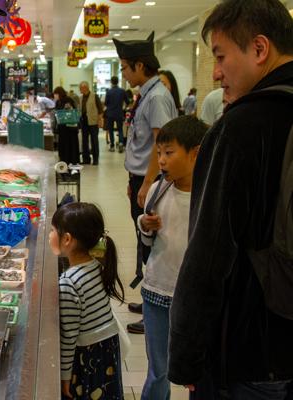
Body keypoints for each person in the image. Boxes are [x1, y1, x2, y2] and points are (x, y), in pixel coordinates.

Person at [168, 1, 293, 399]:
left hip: (247, 353)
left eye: (221, 57)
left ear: (259, 49)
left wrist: (187, 355)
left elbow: (209, 256)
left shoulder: (240, 128)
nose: (217, 73)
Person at [137, 116, 207, 400]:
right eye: (158, 154)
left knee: (199, 372)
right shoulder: (158, 189)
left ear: (196, 153)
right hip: (156, 289)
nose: (162, 161)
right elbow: (147, 240)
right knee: (158, 370)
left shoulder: (210, 195)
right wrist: (144, 225)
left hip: (195, 299)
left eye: (169, 153)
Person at [113, 32, 178, 335]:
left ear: (140, 65)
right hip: (140, 177)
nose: (123, 73)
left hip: (151, 179)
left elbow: (161, 145)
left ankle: (156, 310)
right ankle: (148, 299)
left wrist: (147, 183)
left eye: (125, 67)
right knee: (143, 241)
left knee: (151, 243)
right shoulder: (147, 94)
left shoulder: (157, 96)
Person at [51, 202, 125, 400]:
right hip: (107, 349)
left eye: (52, 231)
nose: (49, 236)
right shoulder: (96, 266)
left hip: (87, 358)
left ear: (67, 239)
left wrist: (64, 376)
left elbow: (69, 336)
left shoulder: (68, 283)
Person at [79, 81, 103, 165]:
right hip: (84, 121)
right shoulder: (81, 97)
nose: (80, 90)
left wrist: (100, 120)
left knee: (94, 140)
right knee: (84, 141)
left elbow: (100, 109)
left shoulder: (94, 96)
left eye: (80, 88)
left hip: (93, 121)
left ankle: (95, 159)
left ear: (85, 88)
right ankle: (86, 159)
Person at [54, 86, 80, 165]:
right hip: (66, 127)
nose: (54, 96)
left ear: (59, 94)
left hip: (68, 127)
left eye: (55, 94)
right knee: (67, 144)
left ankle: (68, 159)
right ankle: (67, 159)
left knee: (68, 143)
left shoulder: (66, 100)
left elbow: (68, 111)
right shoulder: (61, 101)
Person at [105, 76, 128, 153]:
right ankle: (121, 143)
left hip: (110, 113)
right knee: (120, 129)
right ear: (118, 81)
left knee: (111, 130)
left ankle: (112, 146)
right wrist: (124, 107)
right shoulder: (122, 91)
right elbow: (127, 101)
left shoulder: (109, 91)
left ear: (111, 82)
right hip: (119, 113)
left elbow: (106, 103)